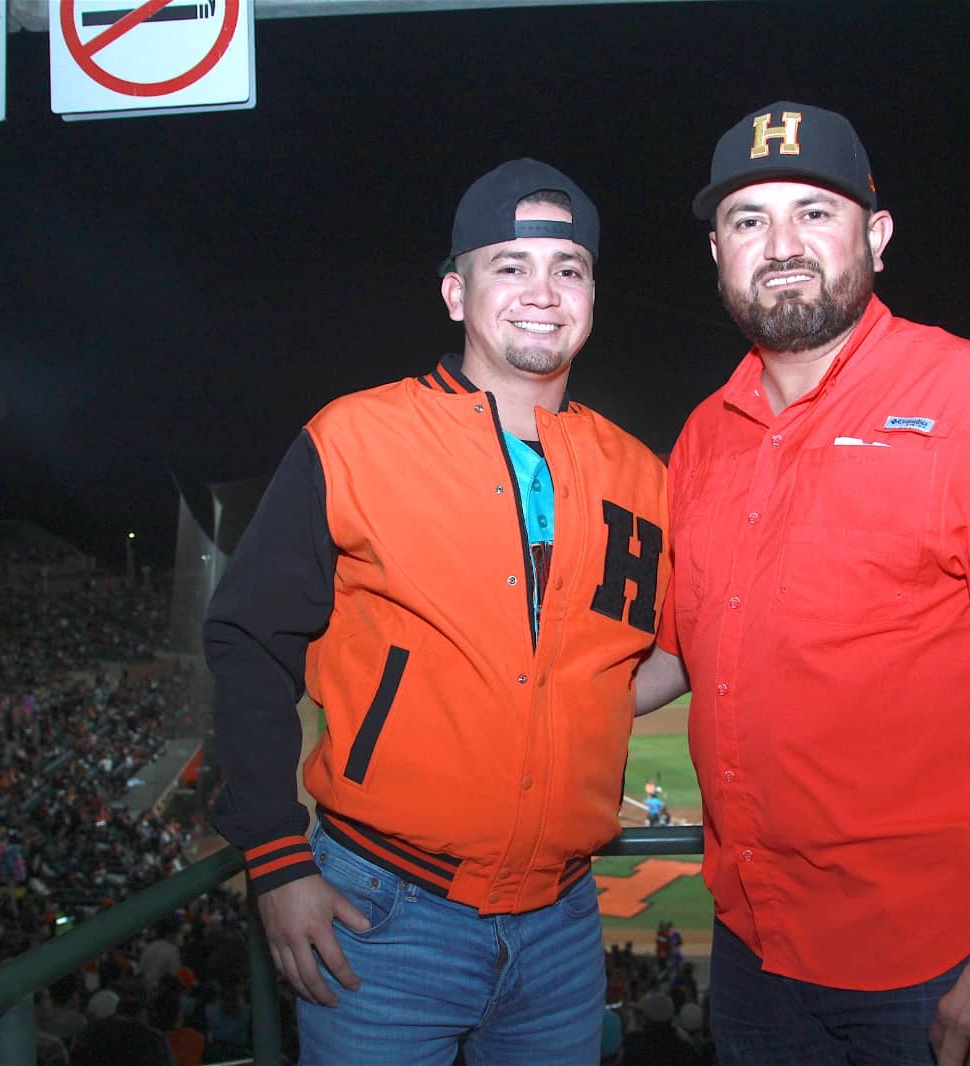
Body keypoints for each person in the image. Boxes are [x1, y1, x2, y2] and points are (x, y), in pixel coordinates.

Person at [634, 100, 970, 1065]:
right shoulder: (703, 434)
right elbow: (676, 652)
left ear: (876, 234)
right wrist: (513, 701)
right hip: (750, 950)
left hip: (933, 966)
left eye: (813, 212)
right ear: (716, 254)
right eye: (748, 220)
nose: (780, 244)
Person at [204, 158, 670, 1065]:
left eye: (568, 269)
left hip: (567, 924)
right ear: (456, 293)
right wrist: (273, 855)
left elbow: (655, 656)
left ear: (591, 295)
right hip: (381, 912)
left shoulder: (640, 474)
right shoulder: (354, 437)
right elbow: (250, 640)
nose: (544, 292)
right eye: (511, 266)